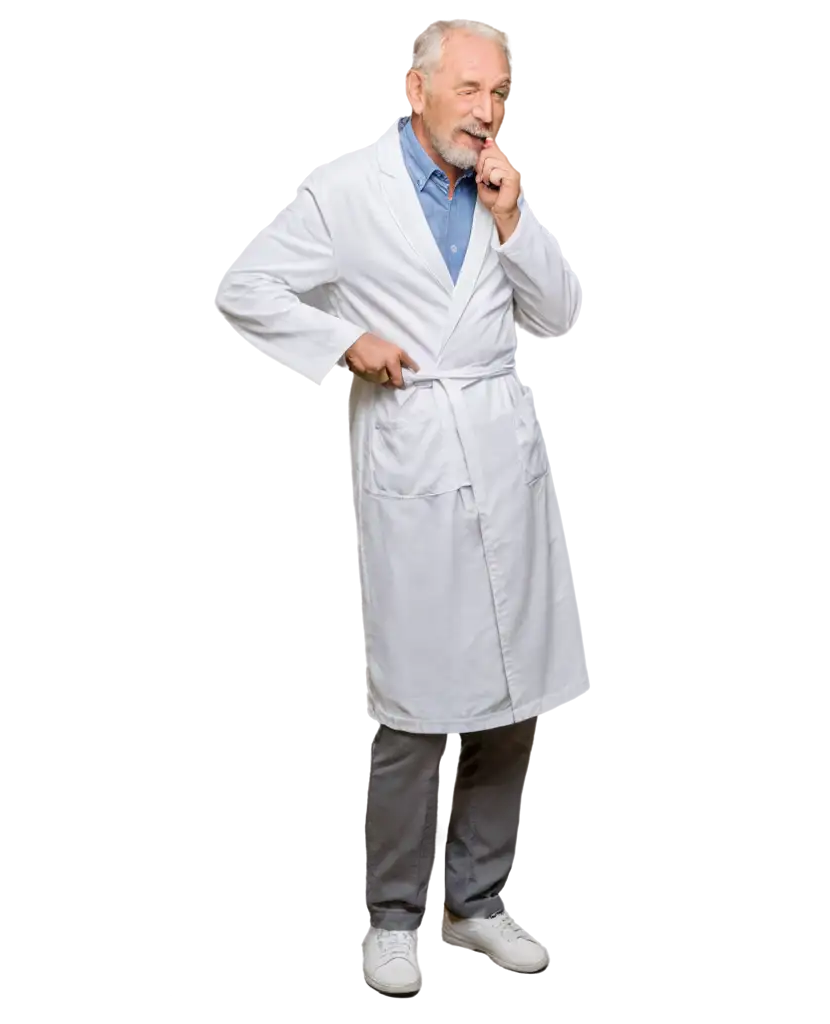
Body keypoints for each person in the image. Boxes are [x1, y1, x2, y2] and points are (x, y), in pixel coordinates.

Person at [212, 13, 585, 996]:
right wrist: (344, 342)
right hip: (415, 453)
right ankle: (390, 918)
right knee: (415, 712)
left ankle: (481, 898)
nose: (488, 111)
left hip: (502, 462)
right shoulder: (347, 189)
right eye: (470, 89)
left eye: (501, 93)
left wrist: (512, 218)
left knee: (508, 706)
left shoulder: (499, 190)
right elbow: (243, 283)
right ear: (417, 89)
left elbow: (559, 315)